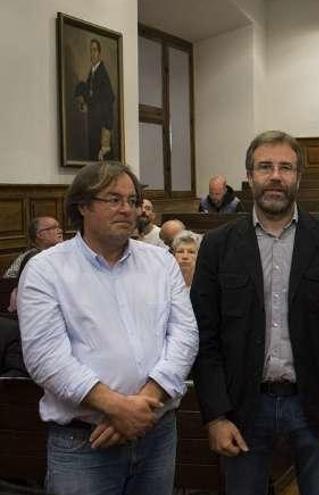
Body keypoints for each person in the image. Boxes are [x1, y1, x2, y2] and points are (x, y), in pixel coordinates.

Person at [191, 131, 319, 495]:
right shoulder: (218, 246)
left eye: (286, 167)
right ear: (250, 175)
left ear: (299, 176)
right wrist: (216, 415)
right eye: (265, 167)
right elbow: (205, 336)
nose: (276, 176)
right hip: (243, 408)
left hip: (316, 406)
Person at [17, 161, 199, 494]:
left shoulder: (160, 261)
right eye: (113, 199)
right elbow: (46, 358)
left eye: (132, 200)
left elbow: (185, 336)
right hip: (84, 443)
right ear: (83, 206)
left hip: (155, 433)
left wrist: (142, 404)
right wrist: (116, 408)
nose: (127, 209)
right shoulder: (46, 270)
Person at [74, 39, 115, 161]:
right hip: (93, 125)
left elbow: (109, 100)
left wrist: (106, 134)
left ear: (99, 53)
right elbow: (89, 92)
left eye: (95, 50)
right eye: (90, 50)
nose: (92, 53)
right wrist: (82, 97)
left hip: (100, 129)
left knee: (101, 164)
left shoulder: (102, 73)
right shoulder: (93, 73)